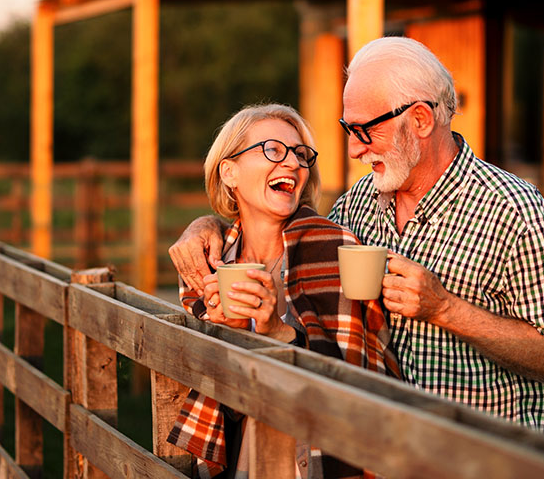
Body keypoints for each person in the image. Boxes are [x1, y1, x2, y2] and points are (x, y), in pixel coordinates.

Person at [170, 37, 544, 431]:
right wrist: (207, 226)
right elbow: (276, 231)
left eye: (365, 130)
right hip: (375, 453)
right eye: (348, 130)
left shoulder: (513, 209)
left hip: (475, 459)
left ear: (419, 119)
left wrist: (444, 309)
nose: (353, 149)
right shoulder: (356, 205)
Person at [167, 103, 398, 479]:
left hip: (318, 461)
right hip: (241, 455)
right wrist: (231, 334)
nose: (292, 163)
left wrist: (277, 334)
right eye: (273, 150)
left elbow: (358, 379)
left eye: (301, 155)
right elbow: (206, 388)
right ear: (230, 172)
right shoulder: (209, 261)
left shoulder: (333, 247)